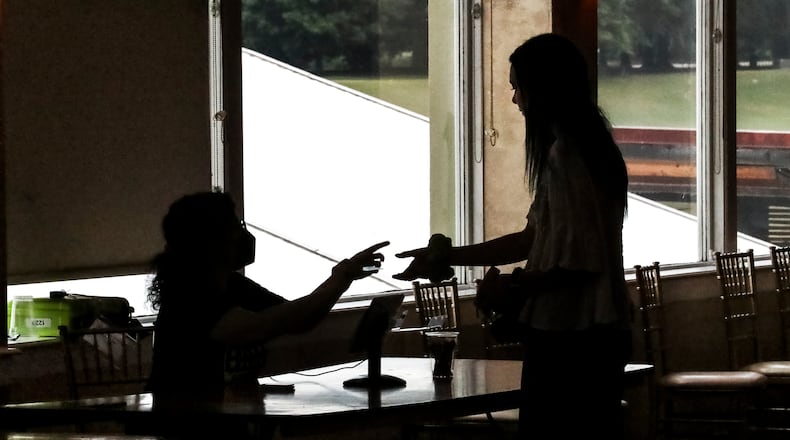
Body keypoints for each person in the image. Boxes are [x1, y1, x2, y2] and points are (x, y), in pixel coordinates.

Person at [394, 33, 632, 439]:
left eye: (517, 87)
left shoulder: (565, 157)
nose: (514, 99)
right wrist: (448, 256)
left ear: (542, 90)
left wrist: (513, 288)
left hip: (571, 340)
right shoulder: (592, 151)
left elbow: (577, 265)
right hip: (596, 337)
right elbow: (530, 240)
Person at [143, 191, 388, 437]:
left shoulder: (233, 284)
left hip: (229, 423)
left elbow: (300, 318)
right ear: (210, 240)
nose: (243, 235)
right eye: (235, 225)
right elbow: (265, 324)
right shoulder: (189, 296)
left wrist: (342, 277)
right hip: (187, 427)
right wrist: (340, 278)